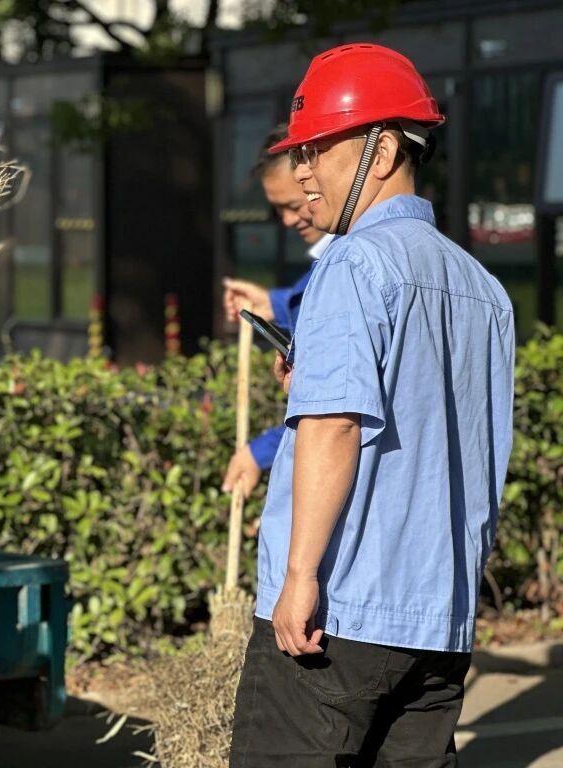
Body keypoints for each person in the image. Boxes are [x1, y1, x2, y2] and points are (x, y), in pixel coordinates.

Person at [229, 44, 515, 766]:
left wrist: (299, 577)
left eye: (318, 148)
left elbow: (334, 426)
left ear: (382, 150)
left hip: (337, 613)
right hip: (437, 623)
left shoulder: (353, 263)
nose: (302, 170)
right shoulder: (484, 288)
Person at [221, 124, 336, 499]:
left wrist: (262, 452)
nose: (287, 221)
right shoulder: (332, 264)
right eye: (277, 209)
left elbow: (331, 410)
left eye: (293, 205)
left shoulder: (346, 267)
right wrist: (272, 303)